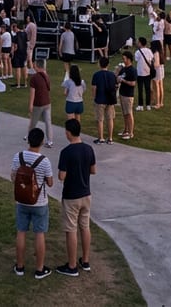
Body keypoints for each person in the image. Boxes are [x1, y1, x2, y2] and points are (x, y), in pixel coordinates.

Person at [12, 128, 54, 280]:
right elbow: (50, 183)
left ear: (28, 140)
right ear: (42, 142)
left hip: (21, 200)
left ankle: (20, 266)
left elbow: (13, 177)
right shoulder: (45, 161)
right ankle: (39, 269)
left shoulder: (18, 157)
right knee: (39, 234)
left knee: (21, 232)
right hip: (39, 202)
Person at [56, 118, 96, 277]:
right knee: (85, 226)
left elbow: (61, 176)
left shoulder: (66, 152)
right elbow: (93, 170)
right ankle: (85, 260)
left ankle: (72, 265)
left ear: (68, 133)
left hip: (71, 195)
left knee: (71, 229)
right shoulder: (89, 149)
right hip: (86, 193)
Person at [27, 59, 54, 147]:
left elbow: (32, 93)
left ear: (37, 66)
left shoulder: (34, 78)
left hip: (38, 104)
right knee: (48, 122)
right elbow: (48, 89)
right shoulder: (46, 76)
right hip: (47, 102)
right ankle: (50, 141)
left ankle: (30, 139)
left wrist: (30, 105)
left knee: (33, 123)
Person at [92, 56, 117, 145]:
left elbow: (94, 88)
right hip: (110, 100)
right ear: (108, 64)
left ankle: (101, 138)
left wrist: (94, 98)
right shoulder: (112, 75)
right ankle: (110, 138)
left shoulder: (96, 75)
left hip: (100, 99)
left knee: (100, 119)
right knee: (110, 118)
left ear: (99, 64)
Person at [117, 51, 137, 139]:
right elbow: (117, 77)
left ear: (129, 59)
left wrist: (123, 81)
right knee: (124, 113)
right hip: (122, 93)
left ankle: (131, 132)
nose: (123, 60)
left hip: (128, 95)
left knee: (129, 113)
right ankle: (126, 130)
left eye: (124, 58)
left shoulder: (132, 70)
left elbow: (133, 83)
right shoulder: (123, 69)